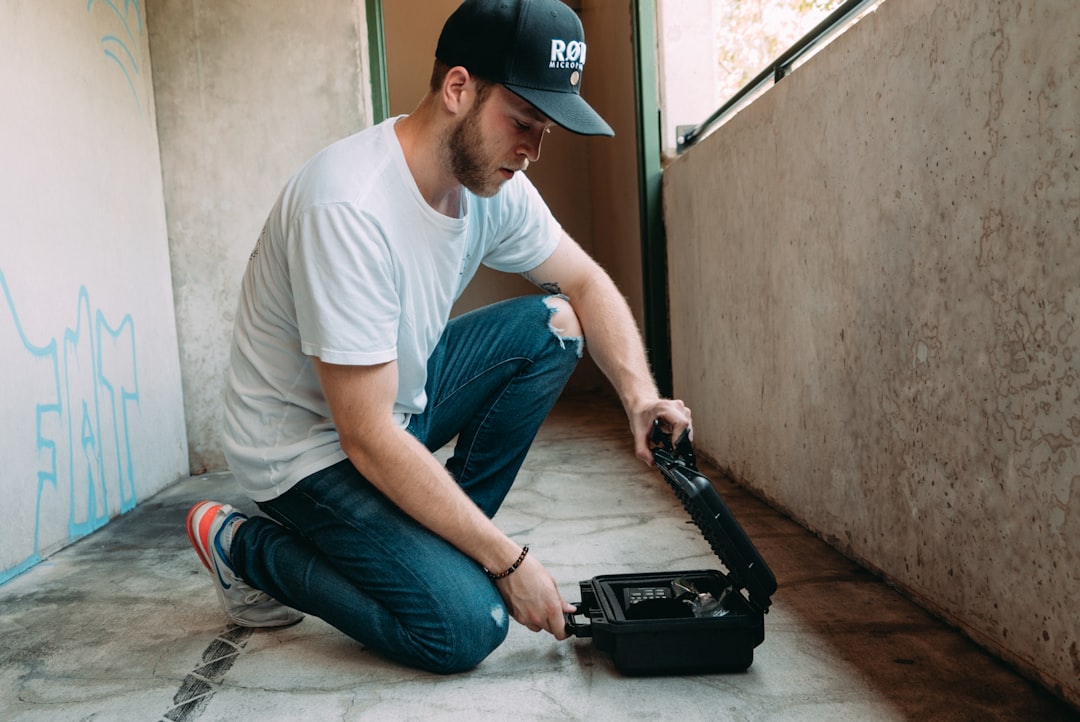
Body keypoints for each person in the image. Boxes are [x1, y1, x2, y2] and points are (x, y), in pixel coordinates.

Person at [186, 0, 691, 674]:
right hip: (307, 450)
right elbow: (365, 436)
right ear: (458, 88)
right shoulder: (348, 207)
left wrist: (640, 398)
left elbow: (587, 285)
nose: (534, 152)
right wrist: (506, 559)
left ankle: (433, 547)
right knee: (465, 625)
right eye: (522, 123)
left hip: (394, 404)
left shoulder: (492, 183)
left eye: (545, 131)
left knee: (557, 325)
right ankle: (241, 544)